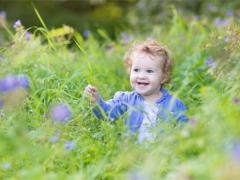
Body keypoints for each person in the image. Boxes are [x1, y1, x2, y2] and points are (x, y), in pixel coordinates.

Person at [84, 39, 188, 142]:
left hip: (161, 154)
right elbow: (107, 113)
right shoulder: (126, 100)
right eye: (136, 70)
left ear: (163, 77)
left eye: (149, 71)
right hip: (134, 154)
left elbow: (185, 131)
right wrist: (96, 101)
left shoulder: (174, 104)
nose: (141, 76)